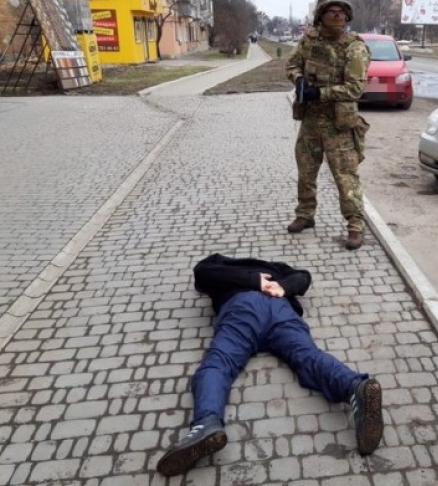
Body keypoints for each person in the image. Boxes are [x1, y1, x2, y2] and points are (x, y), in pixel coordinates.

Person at [156, 253, 384, 477]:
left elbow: (202, 273)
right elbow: (303, 276)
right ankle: (355, 387)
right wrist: (275, 284)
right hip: (279, 308)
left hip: (243, 307)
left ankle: (206, 423)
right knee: (308, 356)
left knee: (219, 364)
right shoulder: (275, 268)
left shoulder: (219, 264)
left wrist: (271, 285)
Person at [285, 0, 371, 250]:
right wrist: (298, 79)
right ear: (320, 15)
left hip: (339, 124)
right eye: (331, 11)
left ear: (347, 17)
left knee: (345, 176)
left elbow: (355, 88)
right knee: (306, 170)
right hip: (311, 120)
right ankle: (305, 214)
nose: (336, 15)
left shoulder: (354, 46)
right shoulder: (309, 40)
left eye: (341, 12)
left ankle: (355, 226)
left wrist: (320, 93)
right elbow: (292, 64)